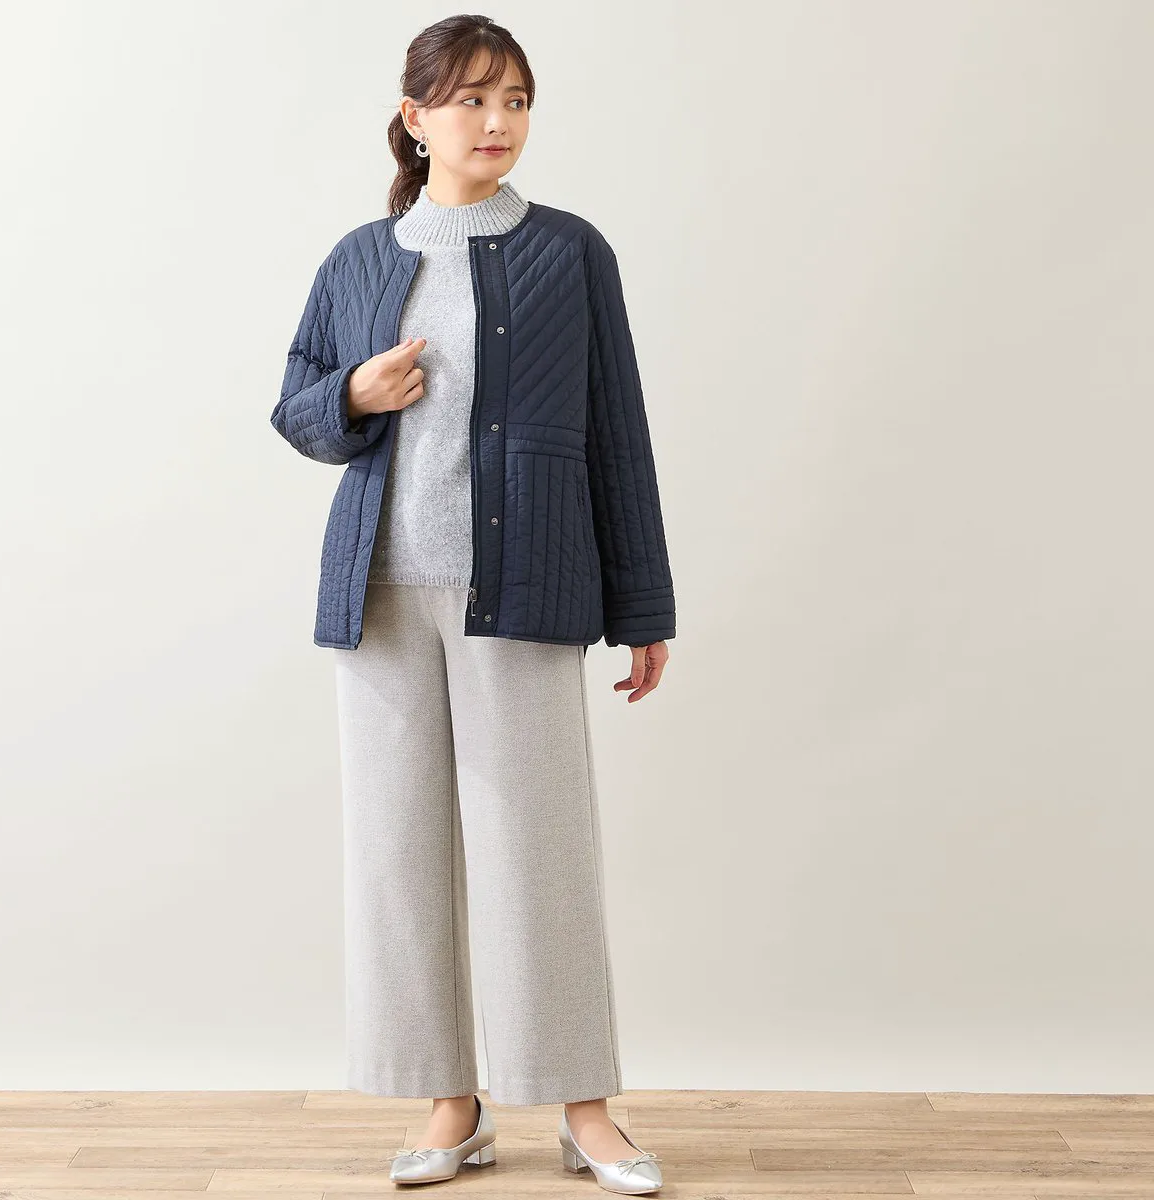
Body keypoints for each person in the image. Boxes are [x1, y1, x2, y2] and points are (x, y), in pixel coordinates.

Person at [270, 14, 674, 1194]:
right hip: (382, 595)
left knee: (538, 853)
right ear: (417, 117)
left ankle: (585, 1111)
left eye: (515, 101)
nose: (497, 122)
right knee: (397, 856)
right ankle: (451, 1103)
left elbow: (617, 433)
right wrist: (354, 392)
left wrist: (643, 603)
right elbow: (297, 407)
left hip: (528, 588)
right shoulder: (359, 258)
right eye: (472, 101)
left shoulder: (570, 253)